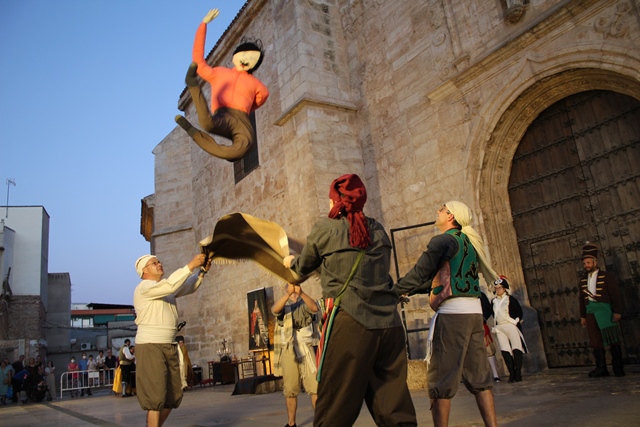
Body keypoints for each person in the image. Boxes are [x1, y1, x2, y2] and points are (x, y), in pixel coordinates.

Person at [284, 174, 417, 427]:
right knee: (394, 409)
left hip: (351, 322)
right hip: (389, 326)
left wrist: (290, 262)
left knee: (334, 408)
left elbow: (299, 271)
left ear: (336, 201)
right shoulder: (378, 230)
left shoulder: (325, 228)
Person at [394, 201, 498, 427]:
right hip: (473, 314)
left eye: (441, 209)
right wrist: (408, 290)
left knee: (440, 380)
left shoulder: (443, 241)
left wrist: (393, 291)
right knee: (480, 379)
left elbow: (420, 272)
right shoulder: (468, 242)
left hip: (453, 316)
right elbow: (438, 280)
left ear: (450, 216)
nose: (437, 212)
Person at [175, 8, 269, 162]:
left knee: (242, 148)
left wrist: (245, 107)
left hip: (241, 120)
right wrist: (203, 25)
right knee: (206, 123)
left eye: (252, 58)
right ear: (235, 56)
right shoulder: (219, 72)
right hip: (222, 115)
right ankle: (192, 86)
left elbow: (261, 98)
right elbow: (199, 63)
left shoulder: (257, 84)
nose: (247, 59)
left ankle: (229, 154)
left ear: (256, 63)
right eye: (244, 55)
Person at [133, 253, 211, 427]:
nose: (159, 264)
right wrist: (191, 264)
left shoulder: (163, 288)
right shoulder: (144, 288)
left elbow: (186, 286)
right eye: (154, 263)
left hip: (168, 345)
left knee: (174, 395)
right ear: (144, 271)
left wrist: (201, 272)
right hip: (150, 345)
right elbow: (170, 285)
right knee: (156, 397)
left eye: (159, 261)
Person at [272, 283, 320, 427]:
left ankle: (319, 422)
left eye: (295, 288)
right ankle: (291, 423)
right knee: (290, 389)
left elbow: (314, 307)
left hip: (306, 346)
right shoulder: (284, 306)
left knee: (315, 387)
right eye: (290, 288)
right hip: (289, 348)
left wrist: (302, 292)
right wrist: (287, 294)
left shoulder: (303, 303)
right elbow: (274, 310)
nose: (293, 291)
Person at [579, 243, 624, 377]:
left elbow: (614, 294)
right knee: (595, 341)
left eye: (588, 262)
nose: (586, 265)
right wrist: (583, 316)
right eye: (584, 263)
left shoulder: (606, 276)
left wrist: (617, 311)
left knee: (612, 338)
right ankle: (601, 368)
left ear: (595, 262)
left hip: (605, 311)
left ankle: (618, 367)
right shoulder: (582, 280)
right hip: (590, 312)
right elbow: (581, 299)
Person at [491, 276, 527, 383]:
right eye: (496, 288)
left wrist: (516, 321)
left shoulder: (511, 299)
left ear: (504, 288)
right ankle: (511, 372)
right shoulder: (493, 301)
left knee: (516, 348)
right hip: (500, 327)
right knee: (505, 350)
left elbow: (519, 312)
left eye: (500, 288)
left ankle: (518, 372)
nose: (498, 290)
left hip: (510, 325)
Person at [480, 291, 501, 382]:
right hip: (467, 327)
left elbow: (488, 309)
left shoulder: (480, 295)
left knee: (489, 349)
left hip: (481, 324)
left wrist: (483, 318)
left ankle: (495, 374)